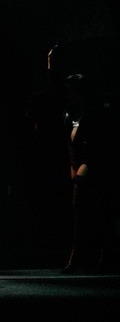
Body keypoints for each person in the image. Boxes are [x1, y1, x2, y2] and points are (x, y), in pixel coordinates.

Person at [61, 73, 115, 273]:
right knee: (84, 213)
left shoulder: (95, 112)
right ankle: (93, 256)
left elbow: (101, 143)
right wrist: (73, 165)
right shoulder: (69, 114)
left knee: (92, 211)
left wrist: (87, 165)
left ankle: (91, 256)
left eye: (73, 89)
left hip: (94, 165)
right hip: (80, 165)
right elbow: (70, 144)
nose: (70, 93)